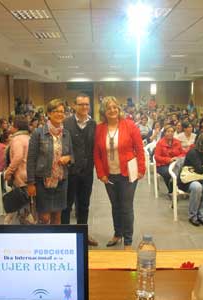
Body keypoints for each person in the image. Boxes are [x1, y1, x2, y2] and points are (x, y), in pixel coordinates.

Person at [94, 96, 145, 250]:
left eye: (115, 107)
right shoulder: (99, 129)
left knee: (126, 206)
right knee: (115, 206)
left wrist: (141, 169)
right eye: (109, 108)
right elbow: (96, 153)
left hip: (128, 173)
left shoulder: (129, 125)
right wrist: (100, 172)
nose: (112, 110)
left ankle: (128, 241)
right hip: (109, 174)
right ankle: (118, 233)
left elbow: (139, 148)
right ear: (104, 111)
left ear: (119, 109)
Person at [27, 99, 74, 225]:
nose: (60, 114)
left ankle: (55, 244)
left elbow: (72, 155)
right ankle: (43, 243)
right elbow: (31, 159)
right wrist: (30, 183)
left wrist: (68, 158)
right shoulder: (38, 133)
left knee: (57, 217)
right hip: (43, 181)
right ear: (49, 113)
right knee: (45, 218)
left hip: (61, 181)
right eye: (56, 111)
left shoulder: (66, 134)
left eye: (62, 112)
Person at [61, 93, 98, 246]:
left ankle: (83, 234)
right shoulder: (66, 123)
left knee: (84, 204)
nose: (84, 107)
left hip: (87, 171)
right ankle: (65, 236)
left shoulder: (93, 124)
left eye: (86, 104)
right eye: (81, 104)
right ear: (74, 106)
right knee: (66, 205)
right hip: (69, 171)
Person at [178, 133, 203, 227]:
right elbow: (200, 169)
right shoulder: (192, 152)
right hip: (187, 180)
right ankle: (193, 215)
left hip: (199, 177)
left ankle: (202, 215)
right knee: (197, 187)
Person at [4, 119, 30, 224]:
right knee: (27, 202)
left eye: (12, 125)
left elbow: (18, 157)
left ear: (17, 127)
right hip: (29, 174)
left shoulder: (17, 139)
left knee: (19, 202)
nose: (10, 127)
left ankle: (9, 225)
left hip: (21, 175)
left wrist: (8, 172)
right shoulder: (29, 137)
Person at [154, 125, 185, 195]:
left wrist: (177, 158)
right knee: (168, 173)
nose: (170, 133)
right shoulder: (160, 143)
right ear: (164, 133)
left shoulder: (177, 142)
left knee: (182, 171)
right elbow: (157, 157)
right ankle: (172, 191)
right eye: (168, 131)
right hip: (162, 165)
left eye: (172, 131)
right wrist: (169, 160)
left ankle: (180, 188)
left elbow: (183, 153)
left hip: (176, 163)